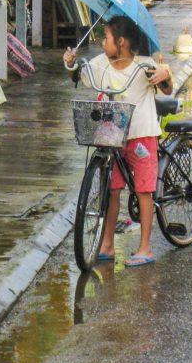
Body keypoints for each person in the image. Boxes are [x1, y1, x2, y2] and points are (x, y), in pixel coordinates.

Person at [63, 16, 173, 267]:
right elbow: (80, 75)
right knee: (112, 190)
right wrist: (71, 64)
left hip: (141, 135)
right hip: (112, 137)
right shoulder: (100, 63)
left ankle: (145, 247)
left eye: (107, 38)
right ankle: (107, 244)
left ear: (121, 42)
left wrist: (164, 73)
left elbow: (166, 87)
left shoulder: (144, 65)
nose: (103, 42)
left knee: (144, 191)